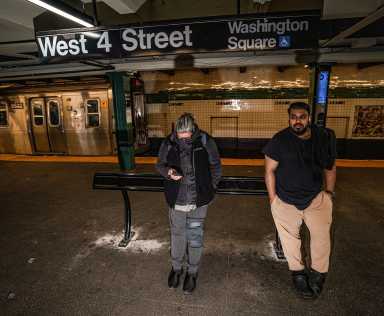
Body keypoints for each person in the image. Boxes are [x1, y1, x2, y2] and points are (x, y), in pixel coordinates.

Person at [263, 102, 337, 299]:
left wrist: (329, 193)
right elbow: (269, 171)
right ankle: (298, 273)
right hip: (285, 200)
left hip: (316, 199)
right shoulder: (279, 140)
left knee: (321, 239)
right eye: (293, 117)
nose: (297, 120)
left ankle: (319, 273)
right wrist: (273, 200)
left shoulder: (322, 137)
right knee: (290, 242)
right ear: (289, 118)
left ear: (309, 118)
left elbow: (330, 166)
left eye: (302, 116)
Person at [156, 113, 221, 294]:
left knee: (194, 237)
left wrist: (211, 189)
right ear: (176, 132)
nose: (183, 141)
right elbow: (159, 165)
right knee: (177, 236)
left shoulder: (205, 141)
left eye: (187, 137)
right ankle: (176, 268)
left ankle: (192, 273)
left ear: (193, 131)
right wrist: (169, 172)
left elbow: (216, 166)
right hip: (176, 201)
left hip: (198, 202)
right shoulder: (168, 143)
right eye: (180, 137)